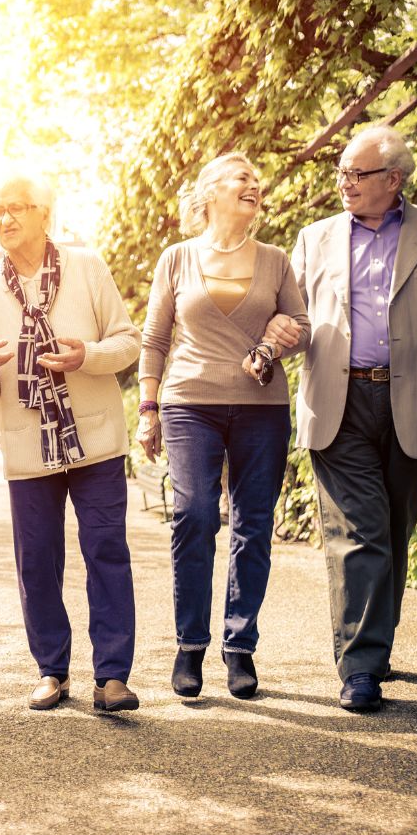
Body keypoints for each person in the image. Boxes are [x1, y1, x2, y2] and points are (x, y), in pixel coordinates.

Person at [266, 124, 417, 712]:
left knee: (394, 530)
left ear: (394, 180)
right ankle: (361, 665)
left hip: (411, 399)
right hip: (339, 400)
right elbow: (292, 314)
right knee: (360, 533)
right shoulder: (313, 239)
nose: (344, 183)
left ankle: (374, 642)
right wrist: (279, 336)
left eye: (357, 174)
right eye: (340, 172)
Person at [0, 172, 143, 712]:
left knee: (106, 550)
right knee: (36, 559)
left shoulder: (86, 266)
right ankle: (51, 671)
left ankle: (111, 676)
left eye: (15, 207)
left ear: (44, 213)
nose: (5, 219)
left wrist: (88, 355)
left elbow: (127, 340)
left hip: (95, 438)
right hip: (27, 441)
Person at [135, 152, 310, 700]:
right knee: (194, 514)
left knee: (254, 525)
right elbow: (155, 338)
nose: (253, 186)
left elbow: (303, 327)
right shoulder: (177, 258)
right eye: (242, 179)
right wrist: (147, 407)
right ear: (209, 194)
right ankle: (190, 645)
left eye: (257, 181)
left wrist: (287, 330)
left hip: (261, 407)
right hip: (190, 402)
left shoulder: (276, 260)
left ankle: (240, 648)